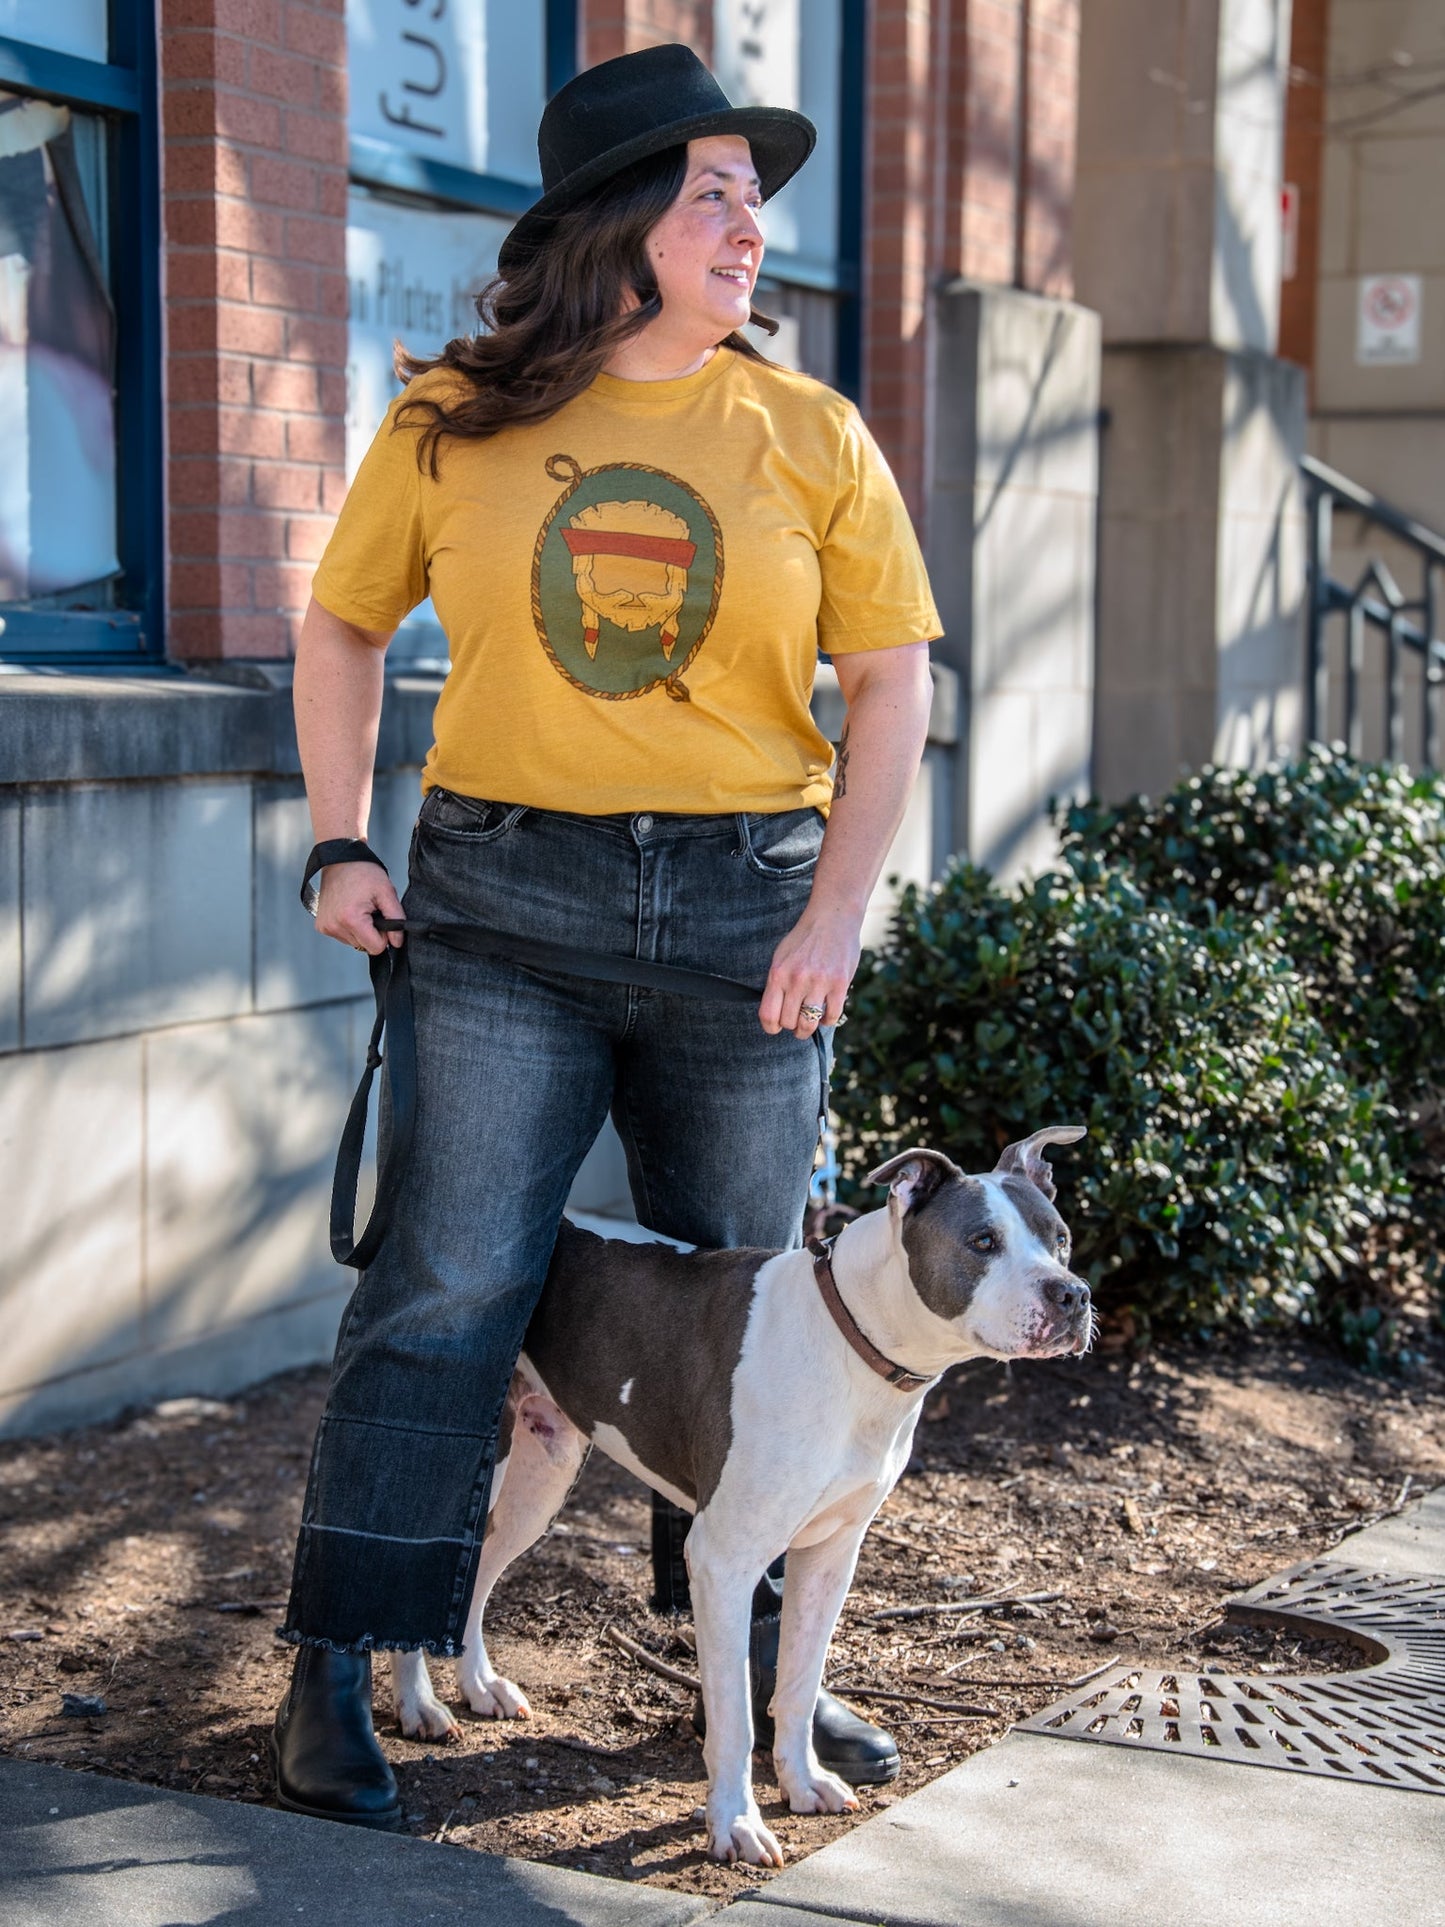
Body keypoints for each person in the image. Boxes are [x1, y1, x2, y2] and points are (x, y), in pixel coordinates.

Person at [272, 42, 942, 1831]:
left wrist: (834, 914)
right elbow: (338, 635)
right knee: (444, 1286)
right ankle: (339, 1659)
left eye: (753, 192)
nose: (749, 225)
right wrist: (339, 839)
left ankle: (742, 1667)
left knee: (758, 1292)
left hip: (744, 918)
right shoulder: (449, 417)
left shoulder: (809, 433)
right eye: (712, 189)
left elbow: (889, 690)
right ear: (616, 222)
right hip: (497, 908)